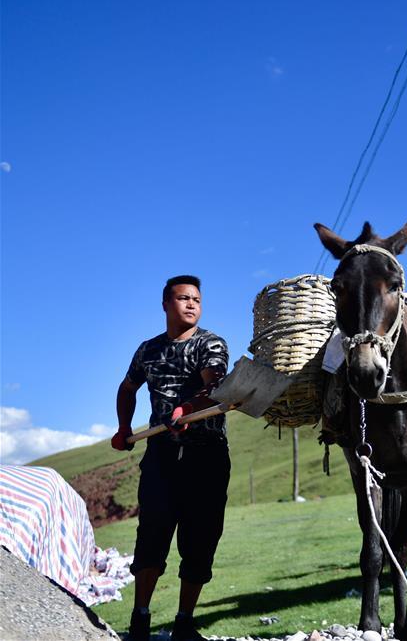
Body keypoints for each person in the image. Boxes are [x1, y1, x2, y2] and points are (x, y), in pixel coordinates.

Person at [111, 275, 230, 641]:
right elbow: (128, 387)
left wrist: (188, 408)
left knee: (200, 538)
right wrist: (123, 428)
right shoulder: (148, 350)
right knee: (152, 534)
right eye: (183, 298)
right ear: (166, 304)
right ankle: (140, 620)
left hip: (206, 457)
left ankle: (183, 623)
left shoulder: (210, 343)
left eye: (196, 299)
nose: (192, 304)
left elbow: (216, 387)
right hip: (161, 455)